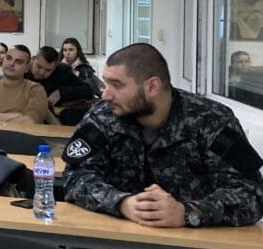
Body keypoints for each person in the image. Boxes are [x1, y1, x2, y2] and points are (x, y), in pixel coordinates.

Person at [64, 43, 263, 227]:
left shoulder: (212, 119)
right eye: (107, 83)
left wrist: (189, 212)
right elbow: (75, 176)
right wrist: (122, 203)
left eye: (117, 85)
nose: (105, 94)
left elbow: (252, 193)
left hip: (194, 244)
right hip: (113, 239)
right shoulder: (102, 116)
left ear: (152, 87)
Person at [0, 44, 49, 124]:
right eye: (8, 58)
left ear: (27, 68)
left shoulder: (36, 89)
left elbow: (30, 120)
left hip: (21, 132)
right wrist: (18, 115)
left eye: (19, 62)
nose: (11, 63)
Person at [28, 46, 95, 108]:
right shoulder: (23, 70)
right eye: (39, 67)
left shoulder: (62, 71)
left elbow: (88, 90)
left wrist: (61, 92)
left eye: (48, 70)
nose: (42, 73)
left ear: (55, 68)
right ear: (33, 59)